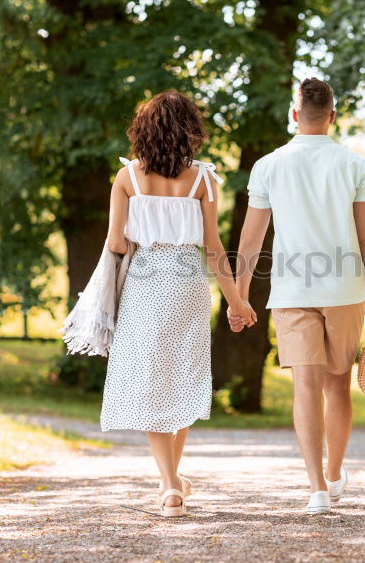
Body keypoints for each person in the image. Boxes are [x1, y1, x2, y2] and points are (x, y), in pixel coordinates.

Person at [228, 77, 365, 514]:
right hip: (344, 290)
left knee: (304, 387)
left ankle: (317, 492)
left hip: (291, 290)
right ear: (332, 115)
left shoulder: (268, 165)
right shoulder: (353, 164)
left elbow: (251, 240)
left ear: (295, 114)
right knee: (337, 384)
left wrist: (240, 297)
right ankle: (333, 474)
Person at [101, 89, 255, 518]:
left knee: (152, 379)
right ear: (190, 131)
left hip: (144, 285)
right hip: (187, 284)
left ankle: (170, 487)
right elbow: (213, 247)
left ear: (144, 131)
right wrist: (238, 303)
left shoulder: (127, 178)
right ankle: (175, 481)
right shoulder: (203, 180)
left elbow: (116, 242)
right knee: (182, 376)